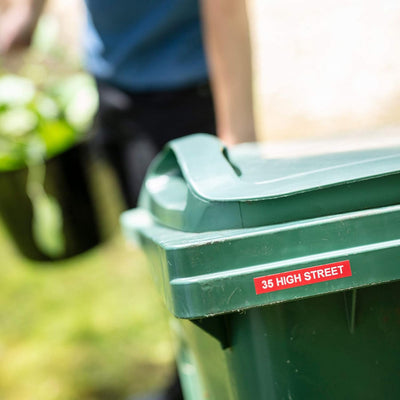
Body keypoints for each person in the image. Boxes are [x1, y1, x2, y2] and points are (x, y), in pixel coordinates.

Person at [0, 0, 256, 398]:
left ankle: (224, 382)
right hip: (114, 81)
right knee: (154, 250)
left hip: (181, 88)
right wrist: (26, 16)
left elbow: (225, 7)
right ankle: (191, 375)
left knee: (200, 259)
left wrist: (237, 141)